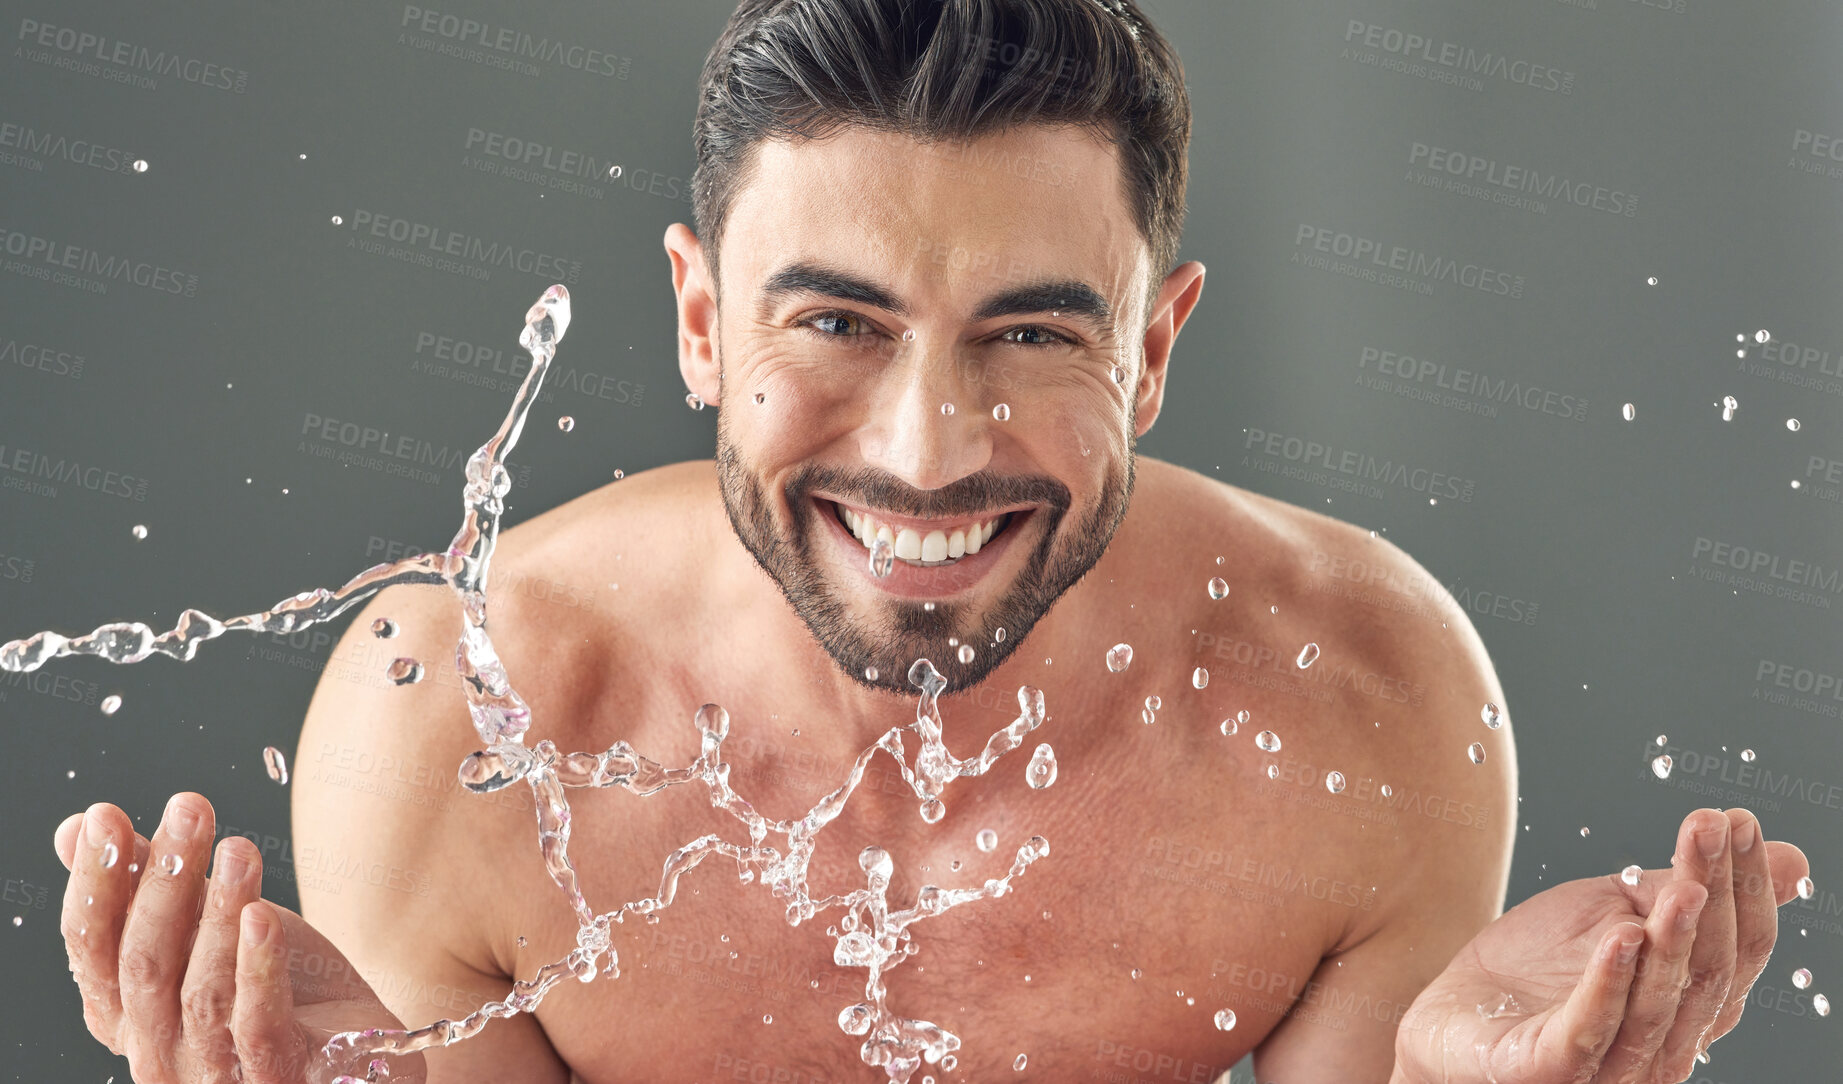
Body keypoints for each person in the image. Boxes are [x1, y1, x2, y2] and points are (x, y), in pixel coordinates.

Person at [52, 1, 1810, 1081]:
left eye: (1036, 335)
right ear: (696, 320)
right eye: (835, 325)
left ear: (1158, 346)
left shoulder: (1360, 697)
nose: (924, 453)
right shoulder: (463, 718)